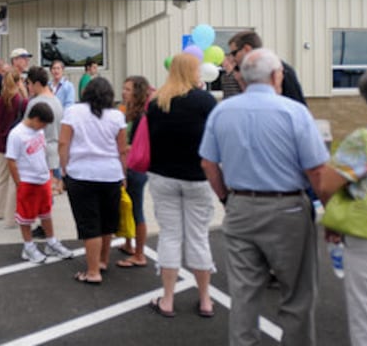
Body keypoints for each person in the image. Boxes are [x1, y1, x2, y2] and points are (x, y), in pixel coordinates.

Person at [199, 49, 328, 346]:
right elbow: (317, 171)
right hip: (289, 210)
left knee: (244, 294)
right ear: (275, 75)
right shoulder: (294, 112)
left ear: (243, 77)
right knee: (296, 294)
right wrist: (332, 215)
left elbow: (207, 163)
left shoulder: (222, 111)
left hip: (240, 207)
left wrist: (226, 199)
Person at [144, 54, 217, 318]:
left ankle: (167, 299)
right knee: (198, 236)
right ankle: (206, 300)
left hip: (163, 177)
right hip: (197, 178)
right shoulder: (206, 102)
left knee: (170, 236)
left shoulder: (156, 102)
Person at [318, 68, 367, 346]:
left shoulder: (362, 141)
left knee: (366, 316)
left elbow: (327, 185)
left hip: (365, 237)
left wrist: (335, 218)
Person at [59, 77, 127, 284]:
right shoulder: (117, 116)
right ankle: (102, 261)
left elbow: (63, 142)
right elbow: (121, 150)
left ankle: (92, 271)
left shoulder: (73, 112)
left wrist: (64, 169)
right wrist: (124, 175)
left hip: (81, 174)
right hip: (111, 174)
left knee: (90, 225)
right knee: (107, 222)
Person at [6, 102, 74, 263]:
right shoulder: (16, 134)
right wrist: (19, 183)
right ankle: (28, 247)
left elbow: (41, 154)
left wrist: (49, 175)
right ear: (35, 118)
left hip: (42, 179)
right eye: (42, 123)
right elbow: (11, 160)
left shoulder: (39, 131)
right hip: (27, 181)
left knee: (46, 213)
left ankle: (51, 242)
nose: (43, 127)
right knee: (26, 216)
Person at [116, 75, 152, 268]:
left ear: (138, 93)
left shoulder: (141, 116)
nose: (124, 92)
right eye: (124, 88)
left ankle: (139, 254)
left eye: (128, 89)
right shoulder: (128, 112)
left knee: (136, 209)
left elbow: (136, 146)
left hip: (135, 169)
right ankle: (129, 245)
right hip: (128, 166)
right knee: (128, 207)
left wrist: (121, 146)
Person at [228, 31, 306, 105]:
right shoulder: (241, 72)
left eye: (234, 53)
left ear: (247, 49)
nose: (233, 58)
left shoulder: (278, 69)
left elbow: (296, 103)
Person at [0, 70, 26, 224]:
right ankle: (11, 217)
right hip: (16, 145)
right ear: (19, 82)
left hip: (0, 142)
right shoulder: (22, 102)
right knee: (14, 181)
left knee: (1, 178)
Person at [25, 66, 64, 196]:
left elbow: (26, 129)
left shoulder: (35, 103)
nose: (28, 87)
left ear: (36, 84)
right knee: (47, 196)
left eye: (29, 84)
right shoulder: (57, 101)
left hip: (38, 153)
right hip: (54, 153)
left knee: (37, 196)